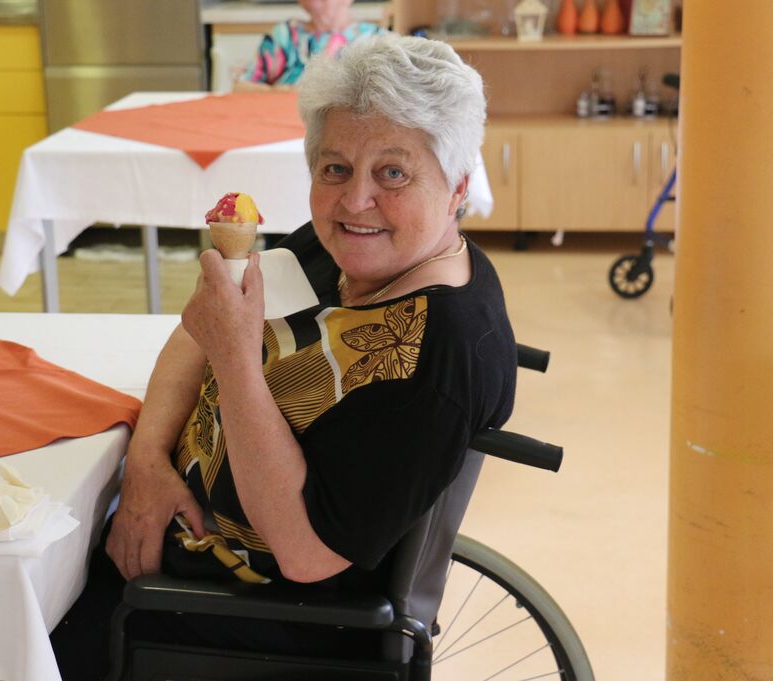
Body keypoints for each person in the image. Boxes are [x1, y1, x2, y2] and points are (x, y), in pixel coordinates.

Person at [50, 34, 517, 680]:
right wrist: (149, 464)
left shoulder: (433, 357)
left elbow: (305, 553)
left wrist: (237, 357)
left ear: (457, 186)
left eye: (393, 173)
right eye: (335, 168)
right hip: (158, 521)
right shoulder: (347, 250)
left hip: (234, 616)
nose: (354, 201)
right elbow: (202, 328)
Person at [235, 0, 384, 91]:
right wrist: (278, 92)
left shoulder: (377, 39)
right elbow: (242, 86)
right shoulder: (286, 34)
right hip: (278, 117)